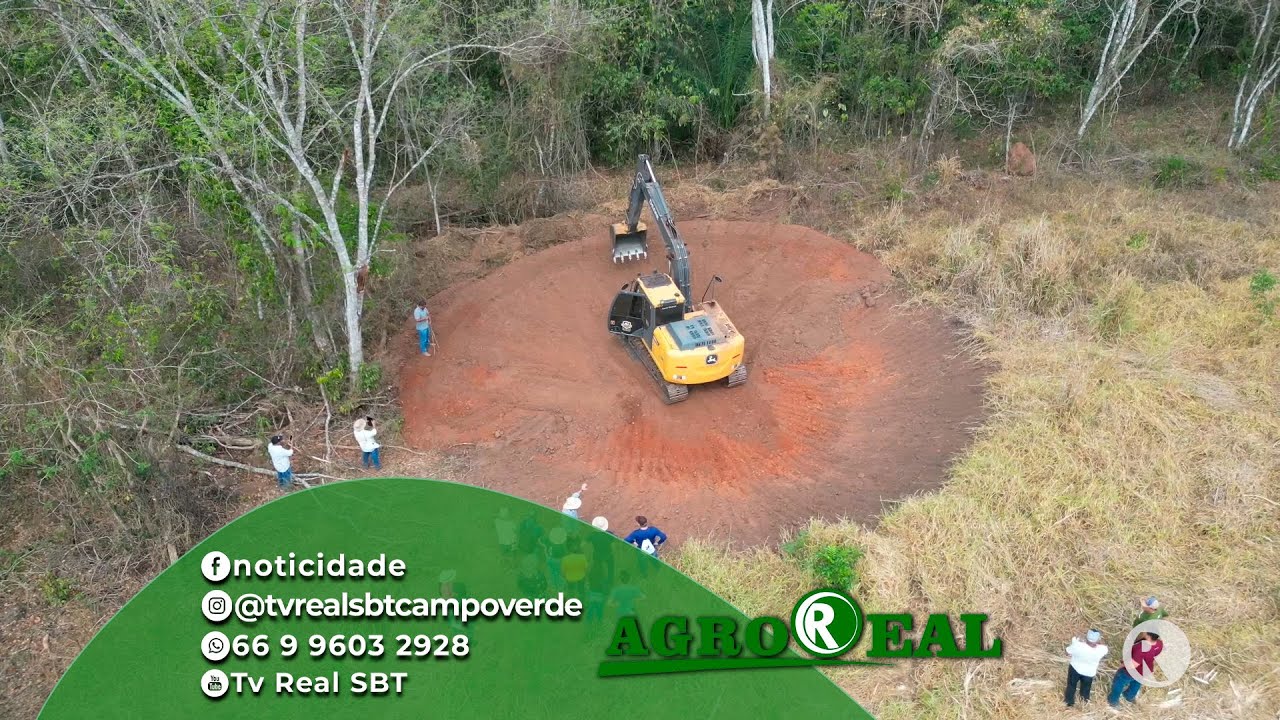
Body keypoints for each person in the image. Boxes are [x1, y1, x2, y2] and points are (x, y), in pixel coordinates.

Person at [1108, 631, 1163, 707]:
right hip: (1145, 670)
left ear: (1148, 636)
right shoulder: (1159, 644)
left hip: (1131, 672)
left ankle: (1113, 700)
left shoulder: (1141, 648)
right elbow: (1155, 654)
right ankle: (1129, 696)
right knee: (1137, 683)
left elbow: (1133, 665)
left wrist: (1122, 666)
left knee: (1119, 683)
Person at [1064, 629, 1108, 707]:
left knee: (1071, 685)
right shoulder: (1102, 649)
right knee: (1086, 688)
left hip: (1075, 668)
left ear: (1086, 637)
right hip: (1089, 672)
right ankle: (1084, 702)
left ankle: (1069, 702)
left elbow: (1067, 652)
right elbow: (1103, 647)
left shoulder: (1078, 646)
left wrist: (1075, 642)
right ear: (1097, 639)